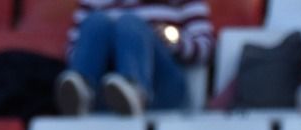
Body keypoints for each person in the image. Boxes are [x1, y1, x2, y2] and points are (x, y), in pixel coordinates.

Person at [54, 0, 214, 116]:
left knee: (129, 23)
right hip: (105, 89)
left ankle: (135, 89)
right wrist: (106, 44)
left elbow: (206, 48)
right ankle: (82, 92)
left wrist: (173, 40)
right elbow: (72, 50)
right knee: (96, 22)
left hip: (162, 88)